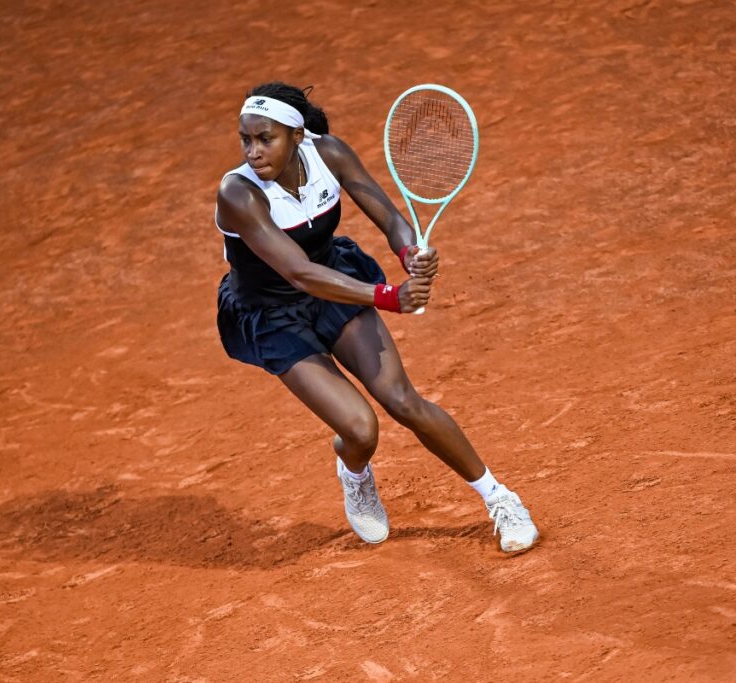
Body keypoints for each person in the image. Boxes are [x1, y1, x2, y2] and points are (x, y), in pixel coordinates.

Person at [215, 82, 538, 553]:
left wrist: (410, 252)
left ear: (297, 134)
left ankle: (501, 499)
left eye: (266, 138)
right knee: (361, 429)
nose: (253, 150)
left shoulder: (329, 154)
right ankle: (355, 471)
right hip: (273, 313)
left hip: (337, 285)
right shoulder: (238, 193)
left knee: (402, 400)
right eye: (246, 139)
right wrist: (388, 295)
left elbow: (389, 217)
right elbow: (300, 272)